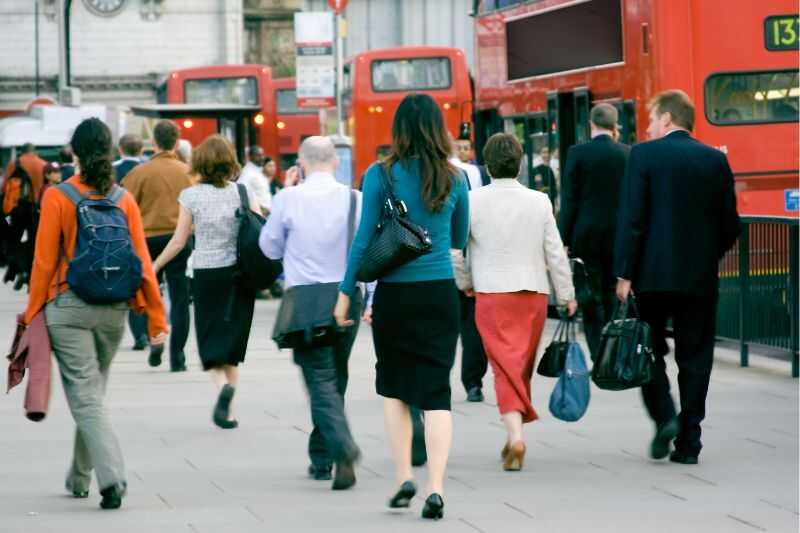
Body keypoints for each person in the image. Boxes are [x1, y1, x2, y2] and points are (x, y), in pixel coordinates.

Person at [335, 94, 469, 520]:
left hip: (395, 294)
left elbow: (362, 241)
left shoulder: (380, 175)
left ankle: (402, 479)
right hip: (439, 294)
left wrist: (345, 292)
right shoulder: (455, 177)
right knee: (437, 393)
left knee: (393, 389)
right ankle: (437, 488)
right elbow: (462, 237)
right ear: (436, 127)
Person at [23, 117, 167, 510]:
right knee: (93, 395)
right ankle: (79, 476)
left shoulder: (58, 196)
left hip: (69, 308)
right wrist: (155, 318)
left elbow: (43, 261)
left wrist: (32, 311)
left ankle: (112, 478)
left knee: (87, 399)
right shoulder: (123, 199)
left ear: (75, 152)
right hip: (114, 310)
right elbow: (142, 262)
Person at [615, 90, 740, 465]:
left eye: (652, 119)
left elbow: (632, 220)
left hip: (650, 278)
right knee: (696, 356)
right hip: (699, 278)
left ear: (668, 119)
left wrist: (625, 273)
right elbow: (730, 225)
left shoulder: (643, 155)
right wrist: (706, 257)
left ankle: (665, 414)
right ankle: (690, 441)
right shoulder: (715, 160)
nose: (649, 127)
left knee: (646, 348)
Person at [465, 133, 576, 472]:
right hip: (533, 294)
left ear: (486, 165)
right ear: (521, 164)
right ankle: (513, 433)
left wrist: (465, 282)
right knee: (520, 366)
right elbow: (555, 252)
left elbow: (457, 250)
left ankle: (515, 437)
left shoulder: (471, 200)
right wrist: (567, 294)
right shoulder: (539, 201)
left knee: (503, 367)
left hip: (492, 292)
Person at [260, 136, 363, 490]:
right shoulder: (355, 198)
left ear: (300, 164)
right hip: (347, 297)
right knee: (336, 376)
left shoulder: (288, 198)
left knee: (320, 380)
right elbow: (366, 250)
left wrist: (284, 196)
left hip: (305, 299)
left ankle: (342, 448)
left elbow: (269, 247)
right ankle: (322, 456)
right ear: (335, 162)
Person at [152, 135, 259, 429]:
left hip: (206, 273)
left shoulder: (192, 196)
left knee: (210, 340)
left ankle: (223, 390)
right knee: (232, 343)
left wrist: (155, 265)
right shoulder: (243, 192)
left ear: (200, 163)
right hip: (239, 274)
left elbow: (179, 241)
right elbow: (261, 227)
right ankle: (231, 410)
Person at [559, 103, 631, 359]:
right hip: (617, 236)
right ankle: (612, 352)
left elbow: (569, 200)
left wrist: (564, 238)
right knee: (613, 292)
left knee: (589, 296)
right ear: (614, 126)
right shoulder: (627, 153)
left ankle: (597, 353)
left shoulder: (577, 153)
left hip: (585, 236)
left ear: (591, 125)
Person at [124, 120, 194, 372]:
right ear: (176, 142)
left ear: (153, 143)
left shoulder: (138, 174)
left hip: (146, 240)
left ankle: (153, 337)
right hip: (180, 240)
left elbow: (125, 207)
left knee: (148, 293)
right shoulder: (189, 172)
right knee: (180, 299)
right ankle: (178, 357)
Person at [449, 138, 489, 402]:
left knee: (442, 331)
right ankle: (473, 383)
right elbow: (460, 238)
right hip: (457, 270)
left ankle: (437, 381)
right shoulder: (458, 177)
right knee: (472, 328)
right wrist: (466, 281)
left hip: (426, 271)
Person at [237, 145, 271, 215]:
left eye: (262, 155)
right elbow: (241, 192)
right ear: (250, 157)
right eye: (258, 155)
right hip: (258, 215)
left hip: (266, 215)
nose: (262, 158)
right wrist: (259, 209)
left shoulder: (259, 170)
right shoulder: (247, 172)